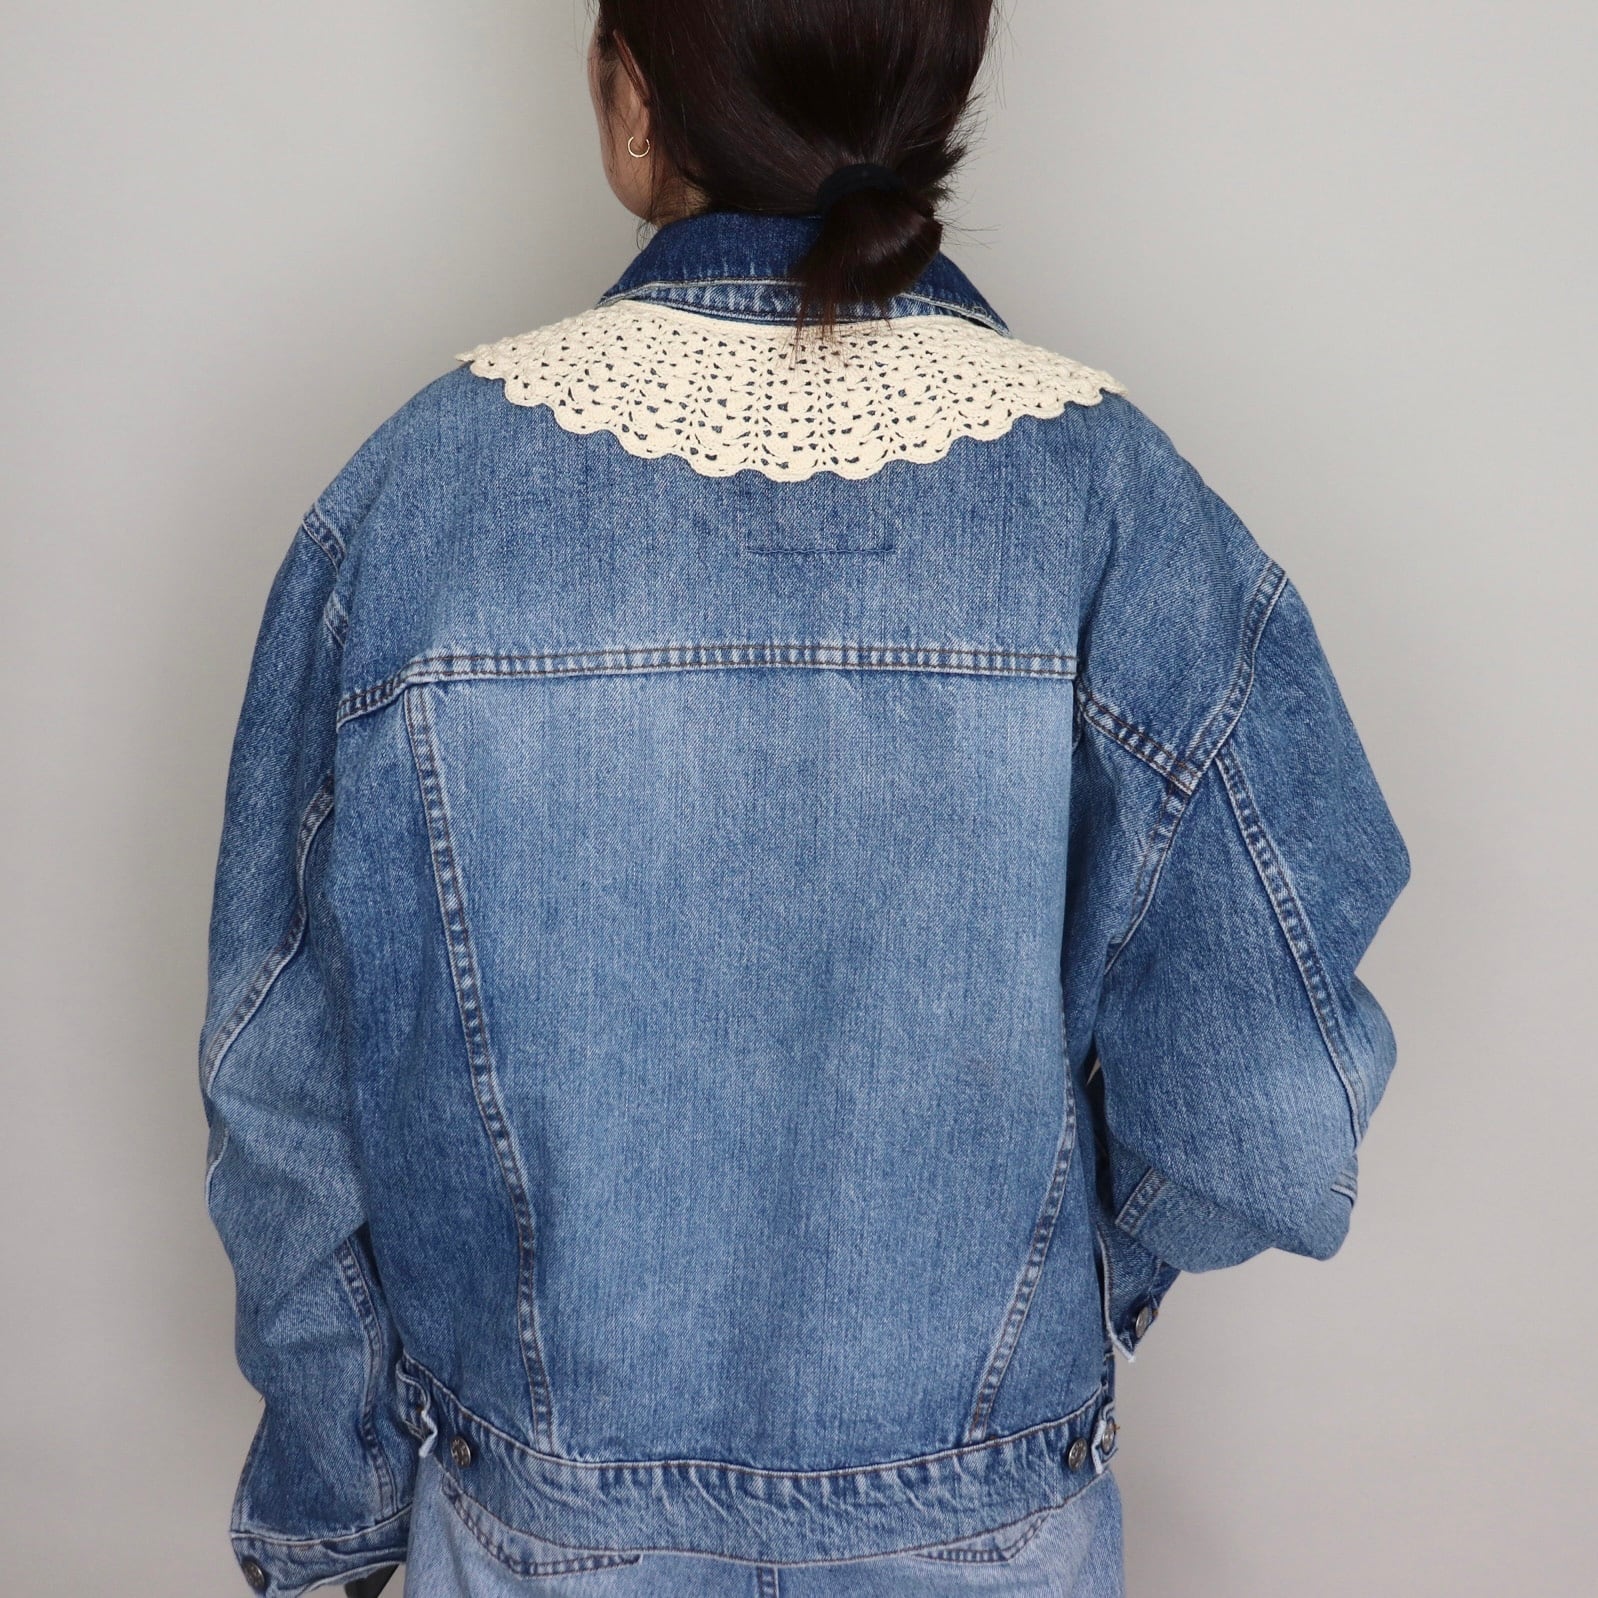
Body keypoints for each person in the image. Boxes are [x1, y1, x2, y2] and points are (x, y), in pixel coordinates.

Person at [196, 3, 1411, 1594]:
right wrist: (1035, 1316)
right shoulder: (1115, 498)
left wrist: (336, 1510)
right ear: (939, 96)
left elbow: (279, 1099)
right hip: (985, 1533)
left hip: (536, 1537)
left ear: (632, 102)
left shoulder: (415, 500)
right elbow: (1265, 1110)